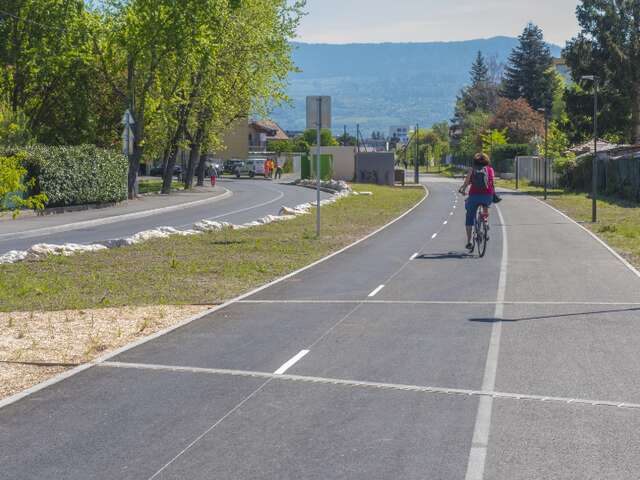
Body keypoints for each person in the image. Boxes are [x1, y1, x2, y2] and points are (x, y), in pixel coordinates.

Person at [458, 153, 495, 251]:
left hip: (474, 196)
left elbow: (466, 183)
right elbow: (492, 183)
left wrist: (463, 190)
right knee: (485, 207)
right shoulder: (490, 170)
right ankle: (485, 223)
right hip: (488, 196)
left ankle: (469, 241)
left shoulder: (472, 169)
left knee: (469, 216)